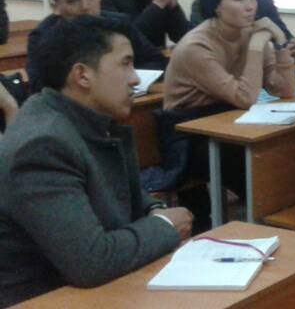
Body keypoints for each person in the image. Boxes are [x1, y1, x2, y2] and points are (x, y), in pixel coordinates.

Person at [0, 16, 192, 306]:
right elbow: (91, 261)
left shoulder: (83, 121)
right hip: (45, 298)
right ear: (82, 76)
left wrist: (154, 209)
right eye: (125, 64)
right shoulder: (42, 145)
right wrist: (165, 225)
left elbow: (116, 192)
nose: (135, 79)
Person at [163, 0, 295, 228]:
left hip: (229, 121)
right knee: (255, 161)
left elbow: (284, 89)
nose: (250, 6)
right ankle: (270, 224)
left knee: (285, 148)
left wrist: (280, 42)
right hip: (187, 135)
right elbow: (245, 97)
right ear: (216, 5)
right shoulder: (196, 45)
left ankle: (282, 222)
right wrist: (258, 44)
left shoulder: (250, 33)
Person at [26, 0, 169, 94]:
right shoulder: (43, 36)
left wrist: (120, 75)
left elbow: (158, 62)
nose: (85, 6)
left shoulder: (119, 24)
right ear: (55, 7)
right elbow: (39, 87)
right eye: (72, 1)